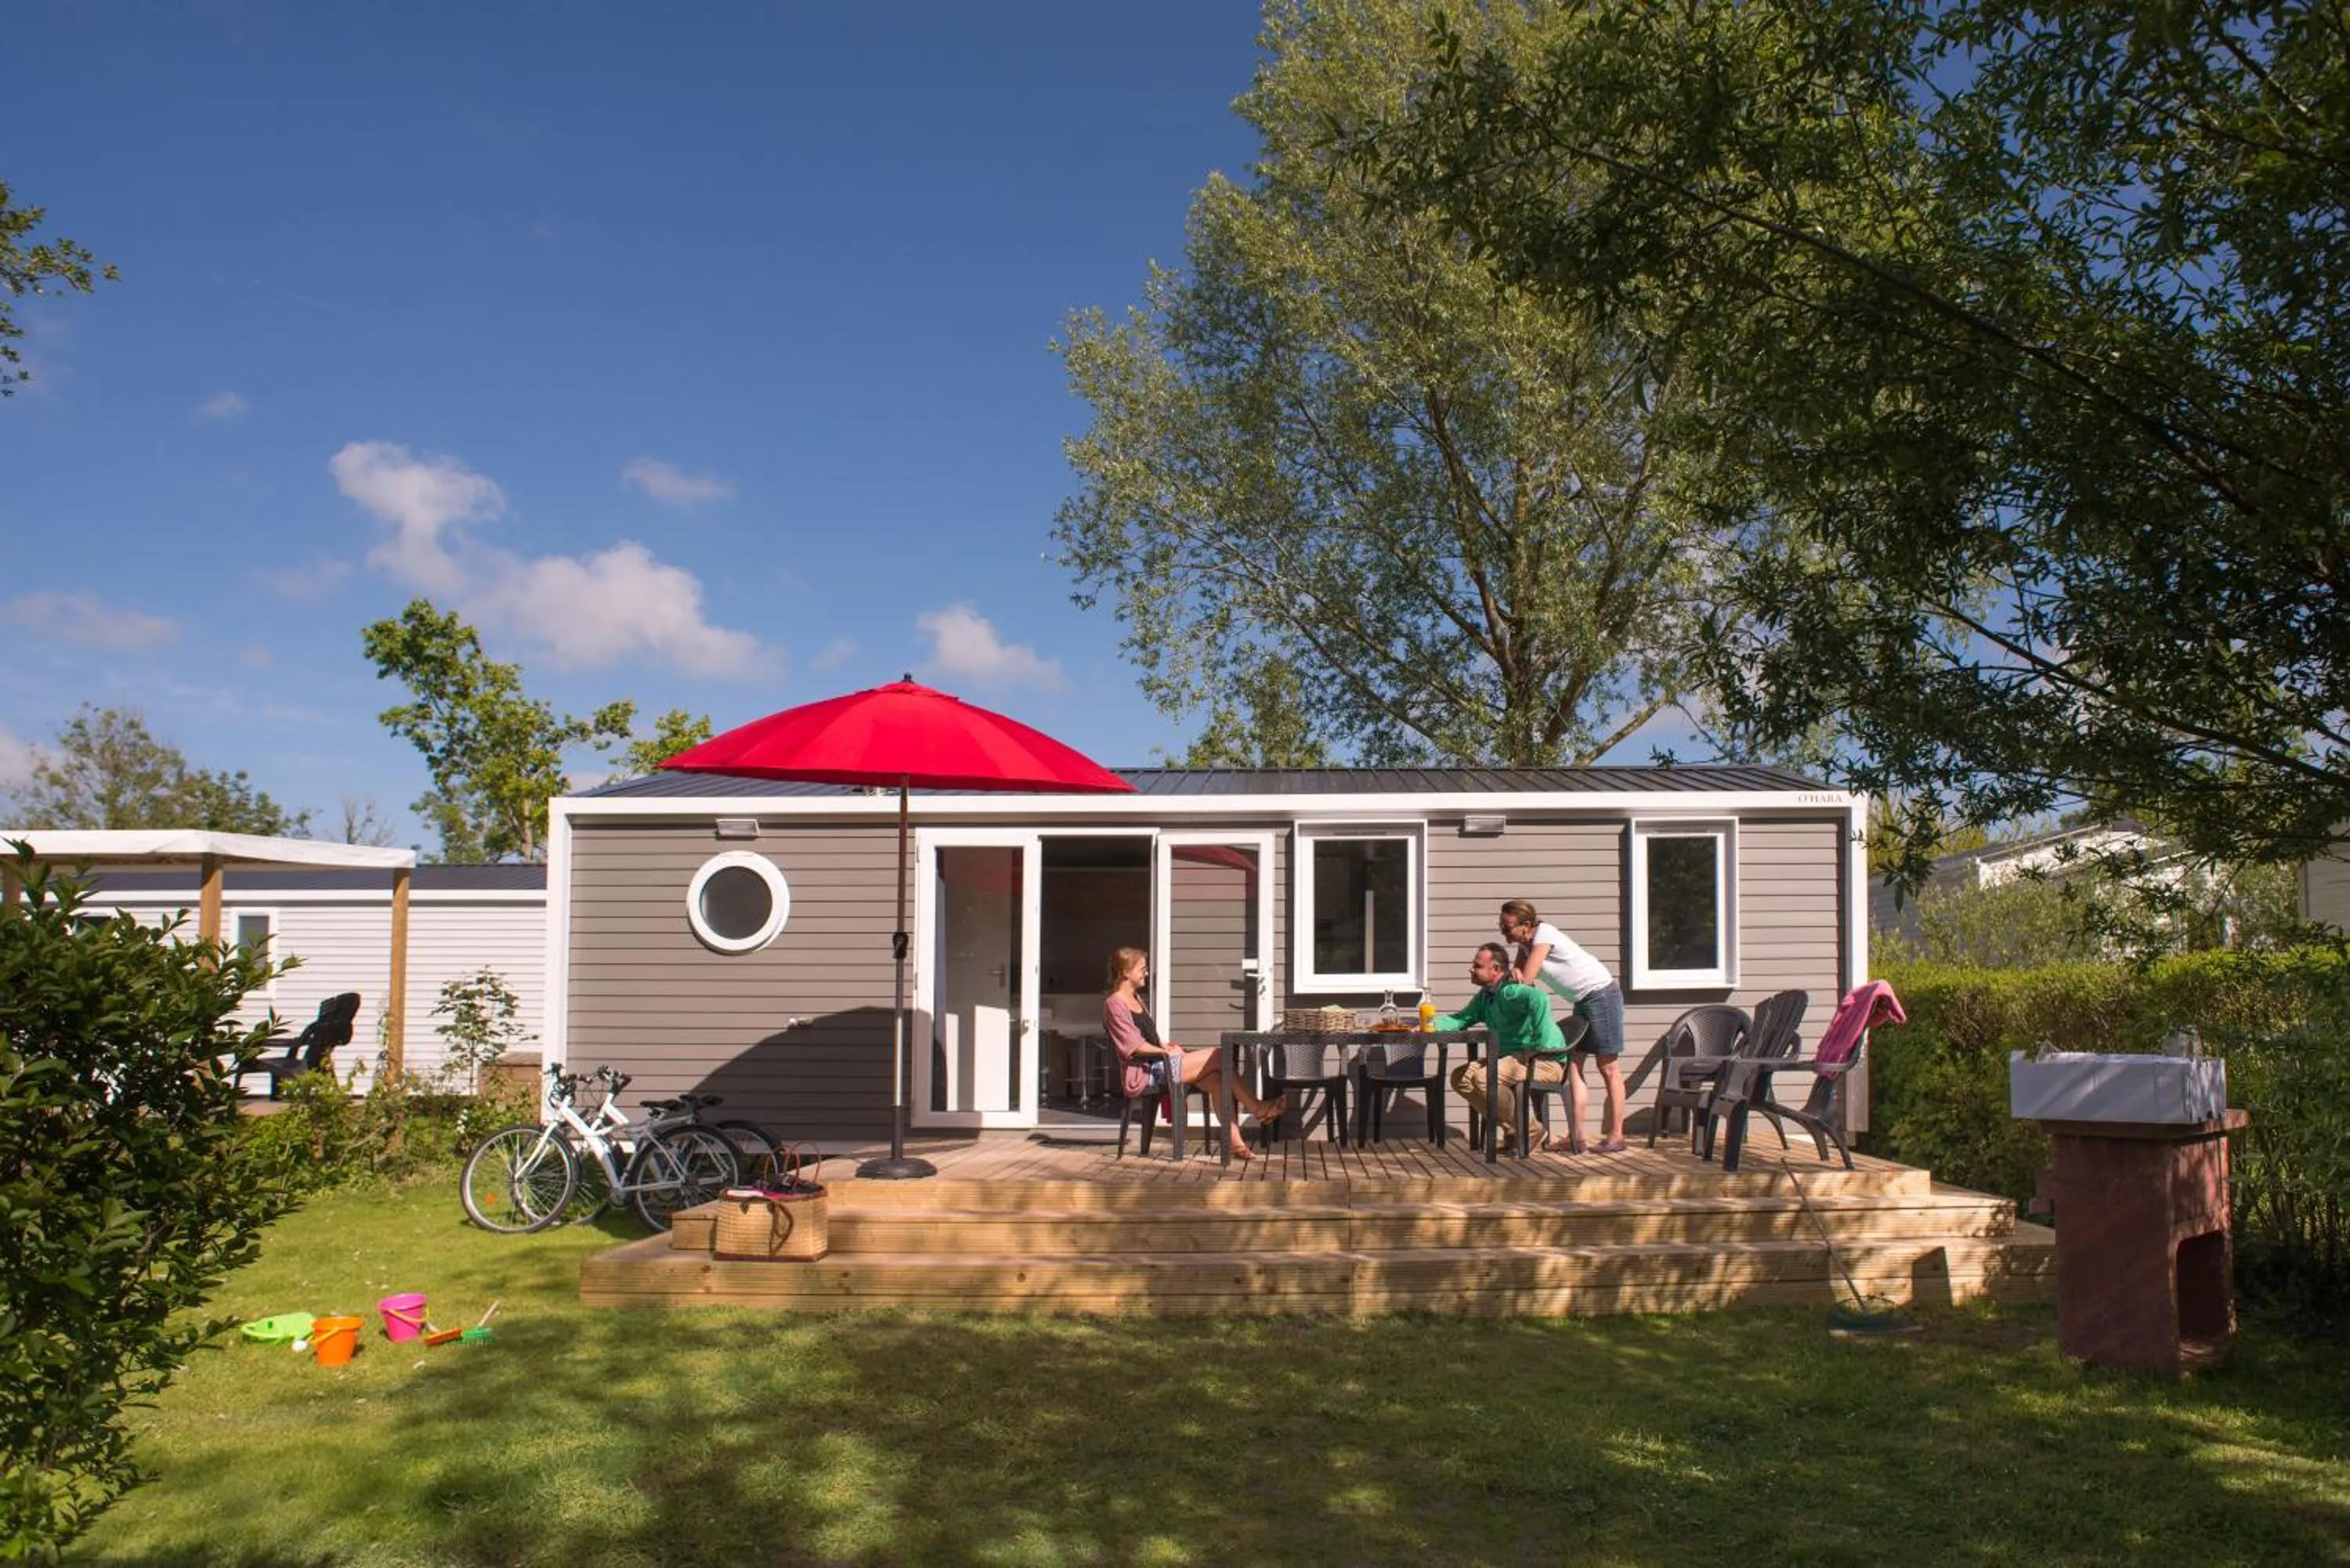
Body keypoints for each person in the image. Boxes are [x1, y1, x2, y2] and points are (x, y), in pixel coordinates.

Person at [1101, 947, 1283, 1159]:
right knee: (1219, 1055)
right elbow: (1133, 1045)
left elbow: (1149, 1038)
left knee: (1219, 1080)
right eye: (1143, 969)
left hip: (1159, 1063)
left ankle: (1236, 1144)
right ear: (1126, 972)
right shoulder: (1114, 1003)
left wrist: (1167, 1047)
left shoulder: (1136, 998)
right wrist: (1164, 1052)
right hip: (1145, 1073)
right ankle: (1258, 1108)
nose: (1147, 973)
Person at [1500, 898, 1628, 1154]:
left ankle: (1617, 1136)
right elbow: (1520, 977)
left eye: (1508, 926)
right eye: (1501, 925)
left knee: (1608, 1067)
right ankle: (1576, 1137)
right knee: (1574, 1064)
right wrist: (1515, 974)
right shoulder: (1526, 945)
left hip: (1601, 994)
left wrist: (1517, 976)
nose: (1504, 931)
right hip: (1582, 999)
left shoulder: (1544, 936)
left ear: (1527, 924)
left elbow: (1527, 979)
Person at [1434, 941, 1570, 1150]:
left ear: (1496, 969)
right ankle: (1513, 1129)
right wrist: (1429, 1024)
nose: (1471, 969)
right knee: (1460, 1078)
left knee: (1484, 1078)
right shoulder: (1486, 997)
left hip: (1544, 1062)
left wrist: (1538, 1046)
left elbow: (1540, 999)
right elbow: (1461, 1019)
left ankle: (1531, 1131)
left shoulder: (1510, 990)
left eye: (1477, 965)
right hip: (1512, 1060)